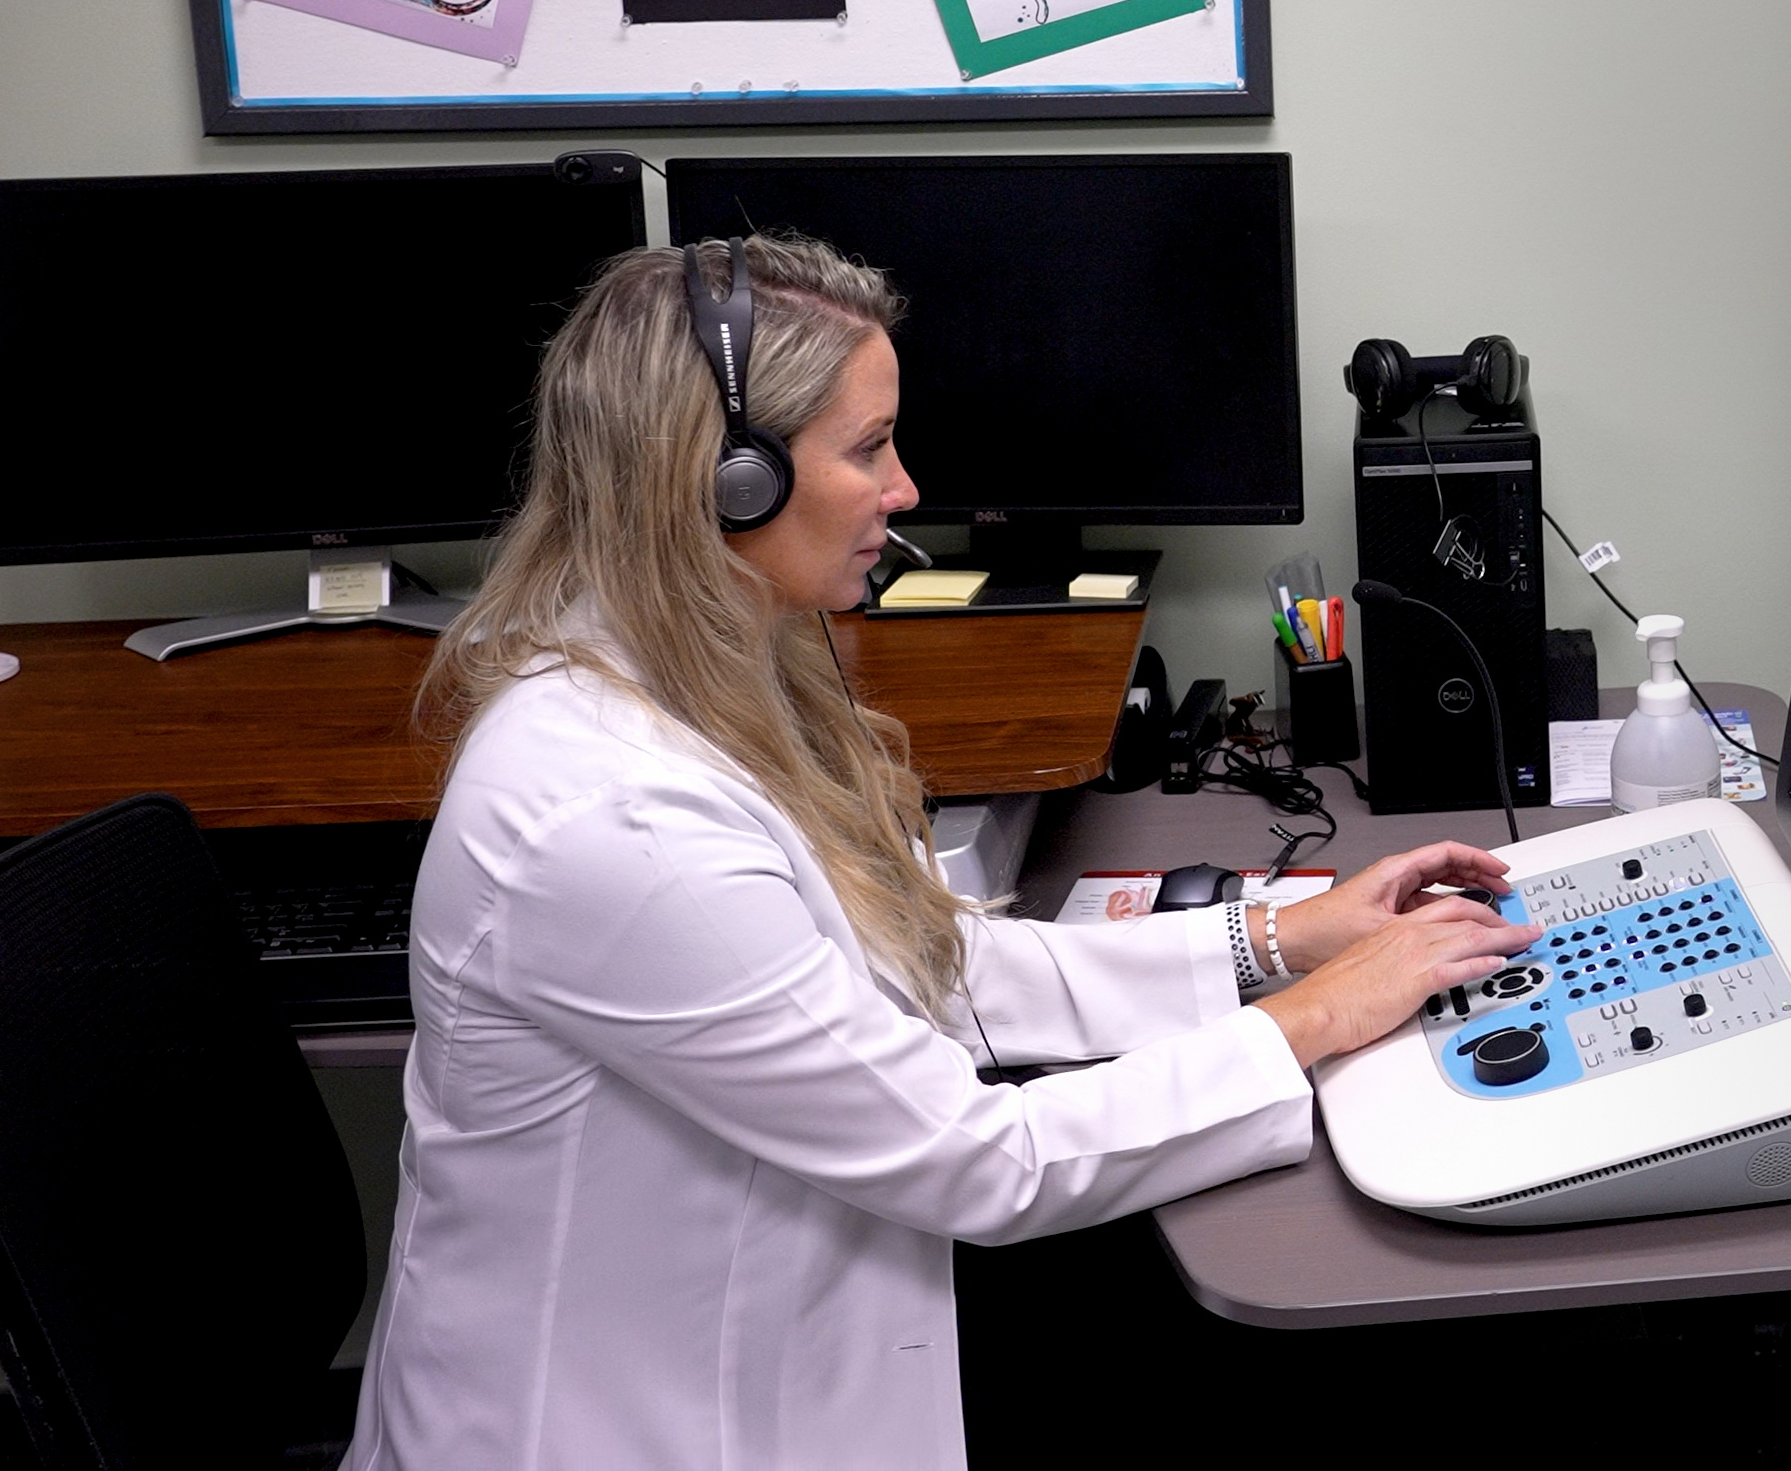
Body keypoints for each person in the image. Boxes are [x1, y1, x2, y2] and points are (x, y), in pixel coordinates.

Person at [343, 234, 1540, 1468]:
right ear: (723, 479)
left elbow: (922, 958)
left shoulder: (697, 667)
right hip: (626, 1428)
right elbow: (981, 1160)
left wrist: (1284, 936)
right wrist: (1317, 1019)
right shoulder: (613, 816)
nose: (906, 488)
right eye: (867, 449)